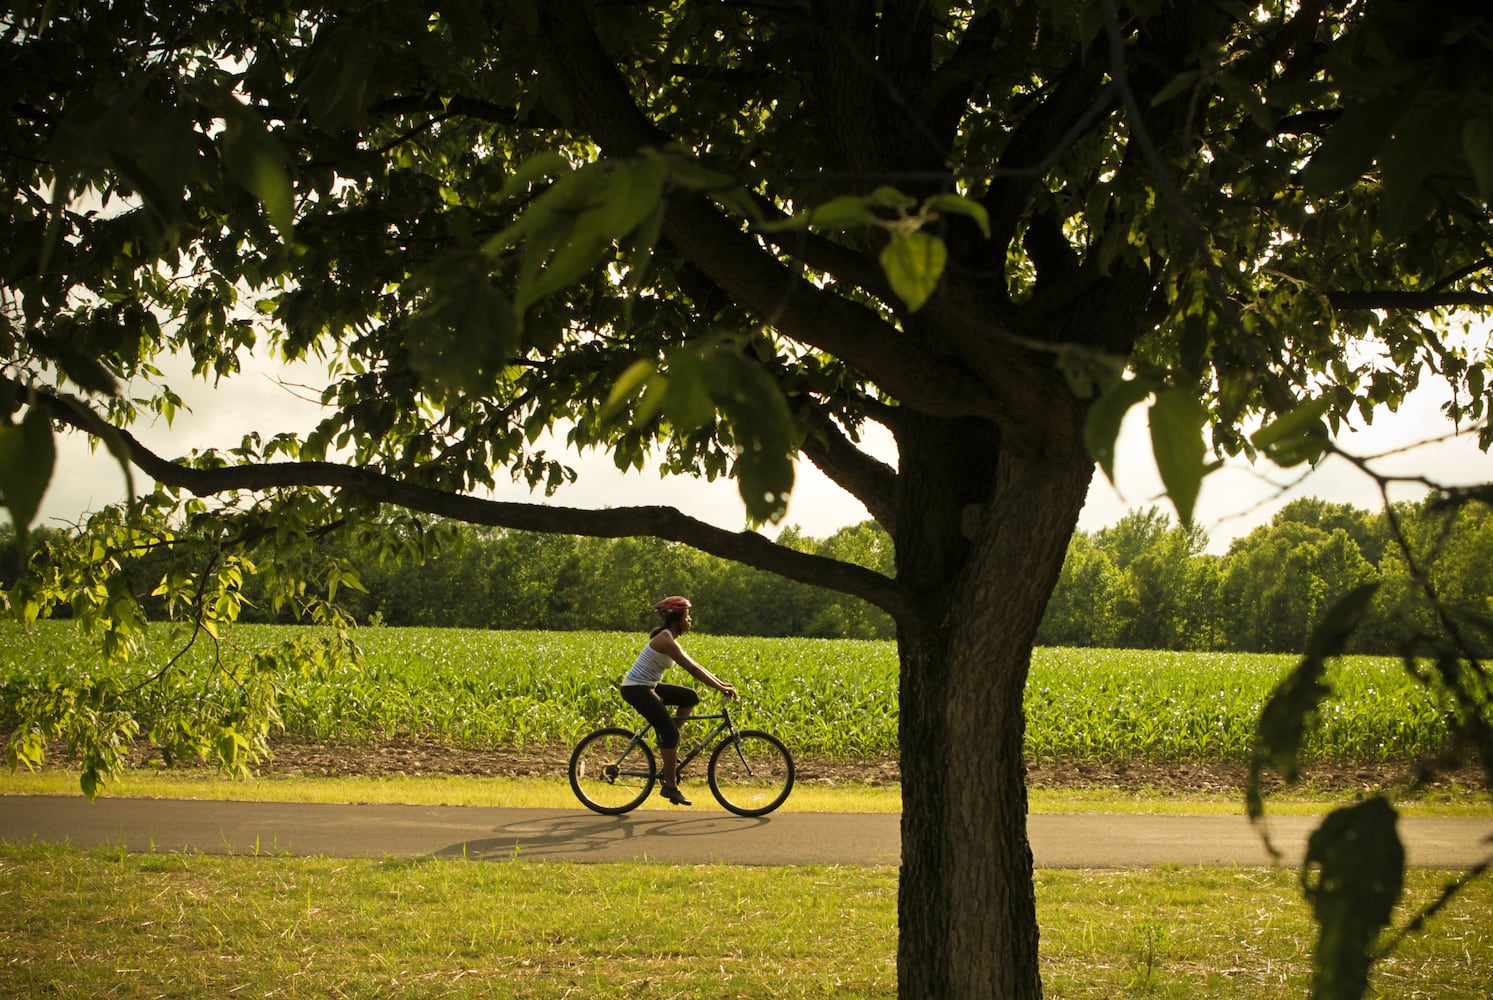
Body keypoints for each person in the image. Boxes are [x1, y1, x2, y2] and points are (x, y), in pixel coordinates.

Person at [620, 595, 737, 806]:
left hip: (648, 686)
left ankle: (667, 745)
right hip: (636, 689)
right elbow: (692, 669)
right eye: (687, 616)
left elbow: (697, 666)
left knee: (689, 697)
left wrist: (722, 684)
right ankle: (670, 786)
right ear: (677, 619)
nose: (690, 620)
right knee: (671, 732)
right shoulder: (665, 640)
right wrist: (721, 687)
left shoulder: (668, 638)